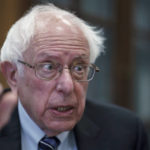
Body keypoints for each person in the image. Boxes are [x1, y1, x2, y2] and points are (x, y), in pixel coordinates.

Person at [0, 3, 148, 150]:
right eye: (49, 67)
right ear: (13, 75)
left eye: (78, 68)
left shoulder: (125, 133)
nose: (68, 86)